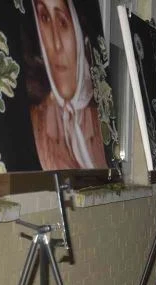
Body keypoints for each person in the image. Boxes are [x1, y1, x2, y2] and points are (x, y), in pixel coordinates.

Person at [29, 0, 107, 170]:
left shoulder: (103, 122)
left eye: (63, 22)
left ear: (80, 34)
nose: (56, 44)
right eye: (45, 18)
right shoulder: (33, 125)